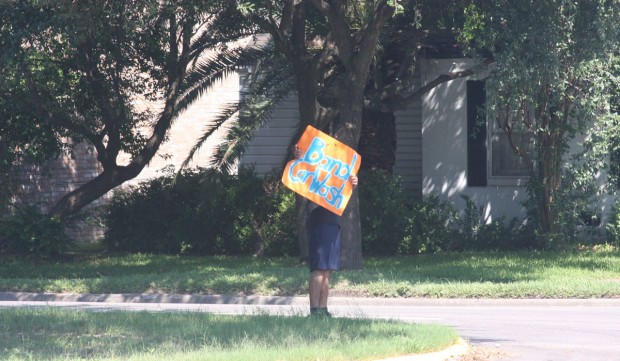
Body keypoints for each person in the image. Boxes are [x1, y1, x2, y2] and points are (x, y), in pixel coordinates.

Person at [294, 146, 358, 317]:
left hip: (333, 221)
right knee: (319, 267)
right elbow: (300, 175)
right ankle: (314, 310)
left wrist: (352, 183)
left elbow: (342, 194)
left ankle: (323, 309)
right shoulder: (314, 173)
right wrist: (300, 158)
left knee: (328, 268)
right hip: (318, 219)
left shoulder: (337, 174)